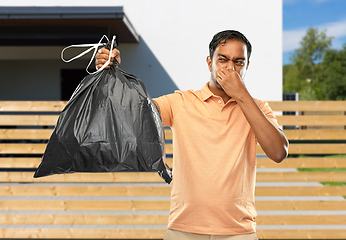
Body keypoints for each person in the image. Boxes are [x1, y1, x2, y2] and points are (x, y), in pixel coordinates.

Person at [95, 30, 289, 240]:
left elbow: (279, 152)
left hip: (239, 233)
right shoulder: (182, 102)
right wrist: (110, 77)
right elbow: (131, 115)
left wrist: (241, 94)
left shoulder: (257, 108)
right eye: (222, 59)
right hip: (183, 230)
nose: (230, 68)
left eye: (239, 62)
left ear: (247, 66)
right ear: (209, 62)